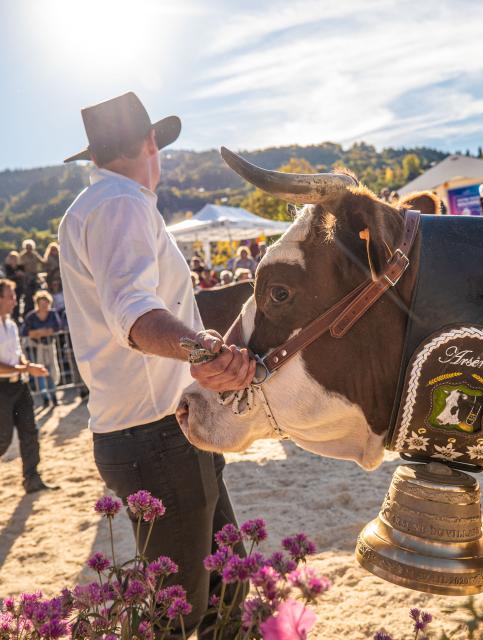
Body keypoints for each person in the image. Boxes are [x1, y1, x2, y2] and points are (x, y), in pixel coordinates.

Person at [59, 91, 255, 639]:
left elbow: (141, 310)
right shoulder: (121, 204)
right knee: (172, 616)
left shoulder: (96, 207)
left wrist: (205, 335)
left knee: (228, 589)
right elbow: (134, 313)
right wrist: (205, 351)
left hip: (152, 431)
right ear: (149, 143)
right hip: (155, 435)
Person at [0, 279, 52, 493]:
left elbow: (17, 354)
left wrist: (29, 365)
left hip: (19, 386)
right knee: (3, 439)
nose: (15, 300)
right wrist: (25, 369)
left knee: (30, 430)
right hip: (1, 389)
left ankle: (32, 478)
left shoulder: (11, 324)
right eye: (11, 296)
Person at [22, 290, 62, 408]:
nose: (44, 305)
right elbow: (24, 331)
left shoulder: (52, 314)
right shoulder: (31, 316)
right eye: (41, 303)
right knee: (40, 372)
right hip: (37, 348)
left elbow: (57, 327)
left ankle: (54, 396)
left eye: (46, 303)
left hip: (50, 346)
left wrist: (44, 332)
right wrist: (38, 332)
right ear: (37, 303)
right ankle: (45, 398)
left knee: (51, 372)